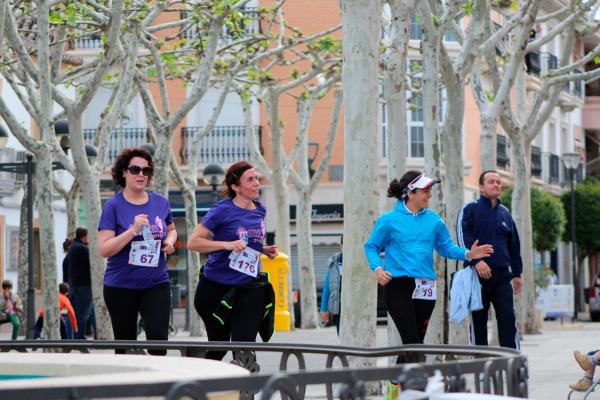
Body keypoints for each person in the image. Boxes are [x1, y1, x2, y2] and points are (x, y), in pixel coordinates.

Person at [364, 171, 493, 399]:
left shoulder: (434, 219)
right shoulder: (388, 220)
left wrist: (468, 253)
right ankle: (416, 391)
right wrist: (377, 268)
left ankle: (394, 384)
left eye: (430, 190)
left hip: (426, 286)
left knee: (415, 343)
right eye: (425, 190)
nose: (429, 195)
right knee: (413, 342)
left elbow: (446, 248)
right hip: (398, 285)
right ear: (410, 193)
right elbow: (371, 246)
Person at [187, 161, 278, 361]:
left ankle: (244, 391)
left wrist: (263, 249)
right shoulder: (221, 210)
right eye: (250, 179)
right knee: (219, 348)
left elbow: (248, 241)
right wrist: (226, 245)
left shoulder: (259, 209)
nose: (256, 183)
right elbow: (193, 242)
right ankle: (202, 383)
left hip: (248, 287)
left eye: (256, 178)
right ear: (236, 186)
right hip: (215, 289)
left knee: (243, 347)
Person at [98, 147, 177, 355]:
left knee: (159, 346)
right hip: (121, 286)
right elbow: (104, 249)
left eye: (146, 170)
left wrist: (169, 241)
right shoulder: (113, 205)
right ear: (124, 172)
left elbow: (171, 229)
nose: (141, 174)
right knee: (125, 348)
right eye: (135, 169)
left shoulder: (160, 202)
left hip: (156, 283)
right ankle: (129, 387)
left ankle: (157, 387)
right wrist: (132, 231)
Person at [457, 170, 523, 349]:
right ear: (481, 187)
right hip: (477, 277)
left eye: (498, 182)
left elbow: (514, 245)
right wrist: (476, 262)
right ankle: (481, 366)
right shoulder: (470, 209)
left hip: (502, 277)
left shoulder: (505, 213)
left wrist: (517, 273)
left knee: (508, 320)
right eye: (491, 182)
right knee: (478, 325)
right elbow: (463, 238)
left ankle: (511, 363)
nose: (496, 184)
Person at [67, 227, 93, 339]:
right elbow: (92, 263)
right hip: (85, 284)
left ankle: (75, 335)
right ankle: (80, 336)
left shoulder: (72, 247)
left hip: (74, 284)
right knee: (84, 312)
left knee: (76, 311)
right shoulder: (83, 249)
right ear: (85, 236)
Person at [320, 235, 343, 334]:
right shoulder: (334, 263)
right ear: (341, 245)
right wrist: (324, 309)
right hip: (339, 308)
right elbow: (327, 287)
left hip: (355, 309)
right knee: (340, 334)